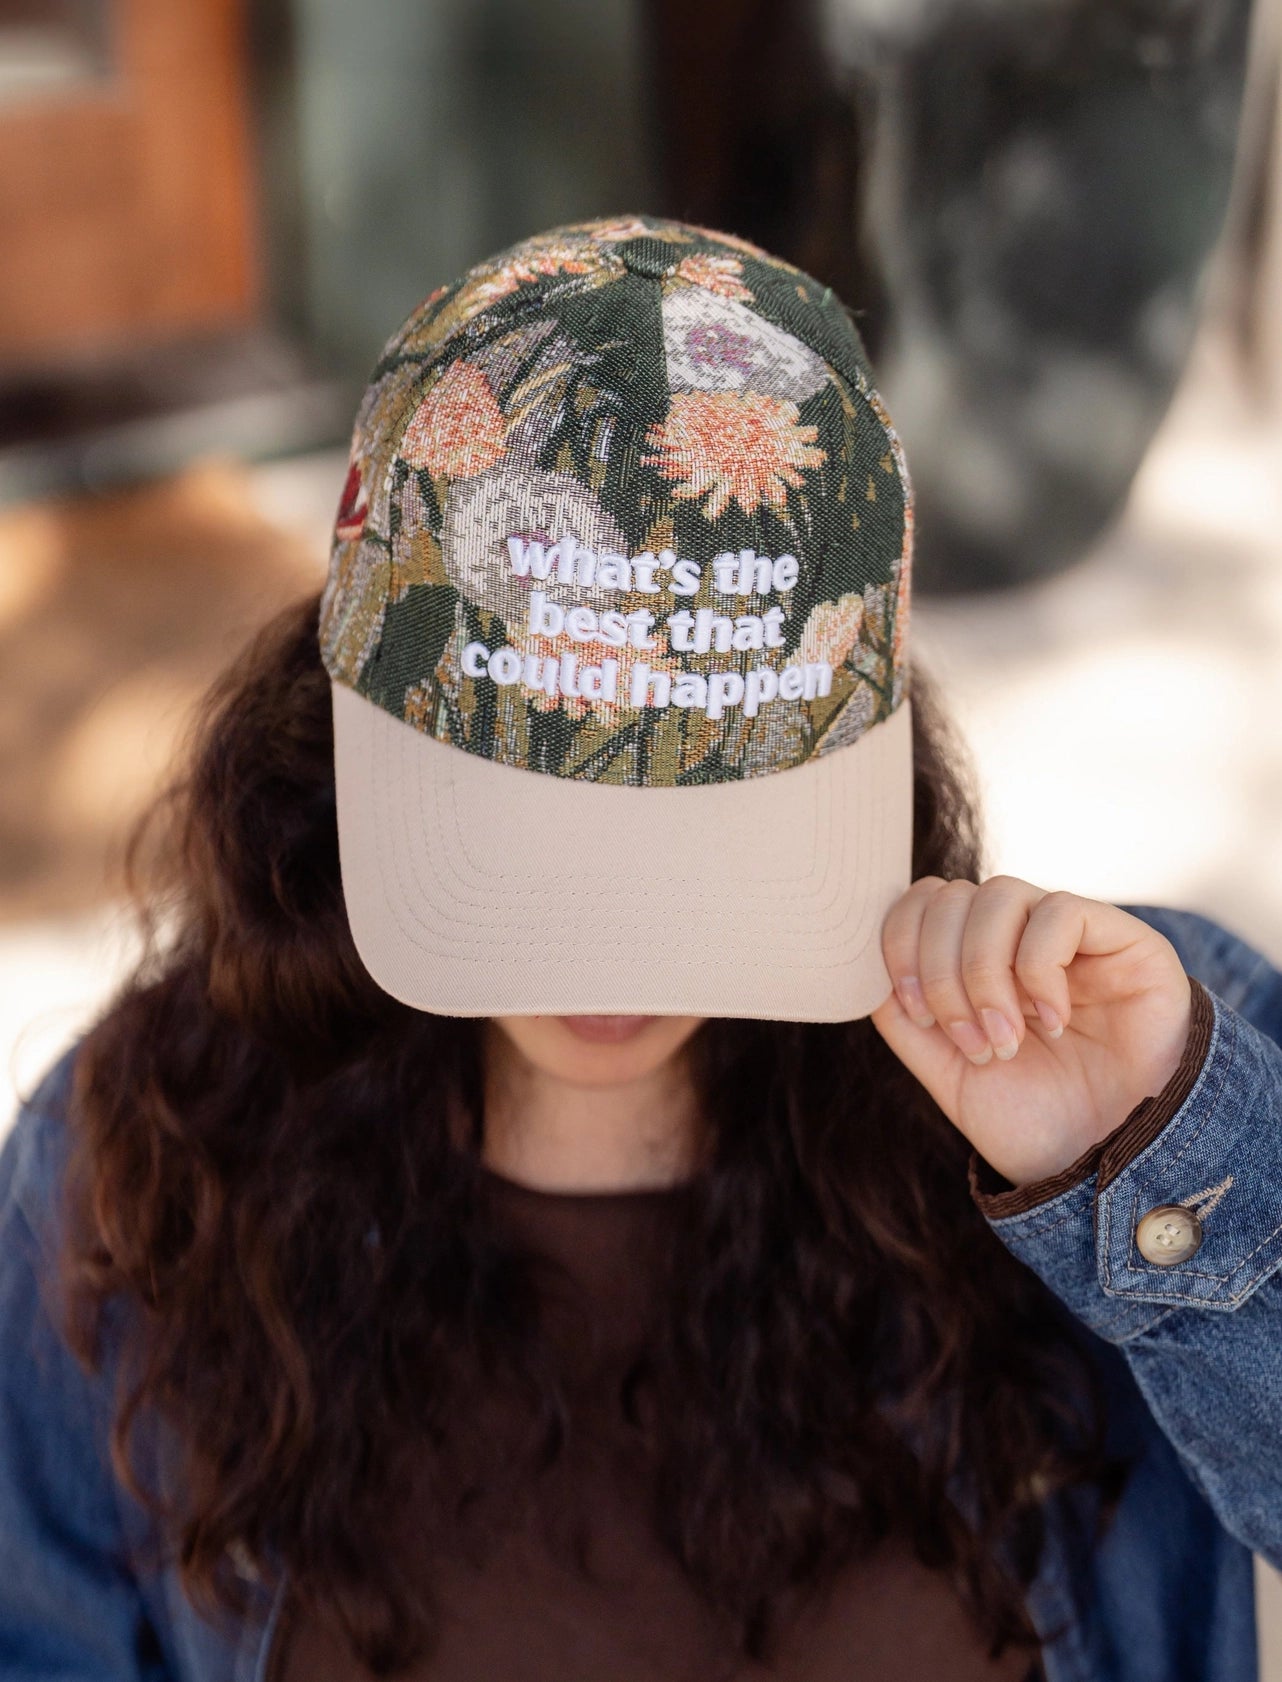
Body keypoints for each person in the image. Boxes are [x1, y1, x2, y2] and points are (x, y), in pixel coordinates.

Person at [1, 216, 1279, 1682]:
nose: (610, 958)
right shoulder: (138, 1164)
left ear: (865, 756)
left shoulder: (1129, 1071)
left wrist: (1153, 1178)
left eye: (702, 841)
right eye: (526, 837)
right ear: (336, 734)